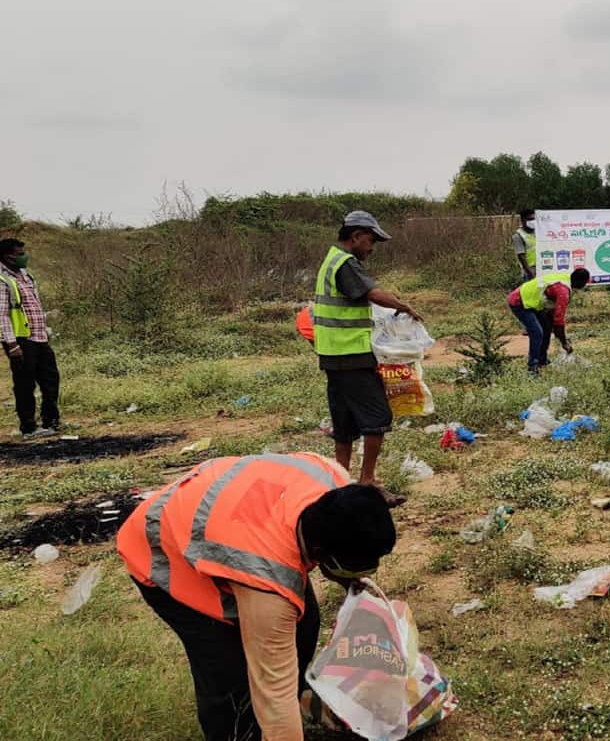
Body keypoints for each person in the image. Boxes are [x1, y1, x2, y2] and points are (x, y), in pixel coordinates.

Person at [117, 452, 397, 741]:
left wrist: (347, 577)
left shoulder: (331, 478)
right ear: (320, 554)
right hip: (161, 551)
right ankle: (236, 731)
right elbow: (275, 694)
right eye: (352, 569)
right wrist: (281, 722)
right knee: (227, 667)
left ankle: (297, 694)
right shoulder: (268, 584)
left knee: (306, 624)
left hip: (225, 512)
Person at [313, 211, 422, 489]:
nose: (372, 248)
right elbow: (373, 293)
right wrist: (403, 306)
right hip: (352, 354)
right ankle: (367, 480)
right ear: (356, 236)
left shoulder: (330, 259)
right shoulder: (346, 263)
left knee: (344, 421)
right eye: (370, 241)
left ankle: (341, 481)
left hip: (332, 355)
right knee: (377, 417)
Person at [0, 238, 60, 439]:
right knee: (25, 384)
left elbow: (35, 306)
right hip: (20, 339)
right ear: (7, 256)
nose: (24, 257)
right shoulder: (2, 279)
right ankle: (28, 427)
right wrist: (12, 344)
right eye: (19, 254)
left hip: (39, 336)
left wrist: (45, 331)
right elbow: (2, 315)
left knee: (50, 378)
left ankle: (51, 420)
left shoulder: (26, 276)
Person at [508, 268, 590, 374]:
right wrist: (564, 342)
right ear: (580, 282)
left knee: (546, 328)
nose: (584, 286)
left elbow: (553, 316)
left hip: (532, 302)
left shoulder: (564, 279)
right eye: (584, 283)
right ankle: (532, 368)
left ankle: (542, 360)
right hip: (519, 302)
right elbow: (559, 321)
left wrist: (559, 335)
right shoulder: (563, 292)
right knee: (537, 333)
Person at [512, 208, 538, 282]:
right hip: (530, 271)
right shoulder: (518, 235)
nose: (532, 221)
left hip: (542, 268)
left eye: (534, 219)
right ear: (523, 220)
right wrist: (531, 274)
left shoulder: (538, 232)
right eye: (530, 219)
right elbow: (521, 257)